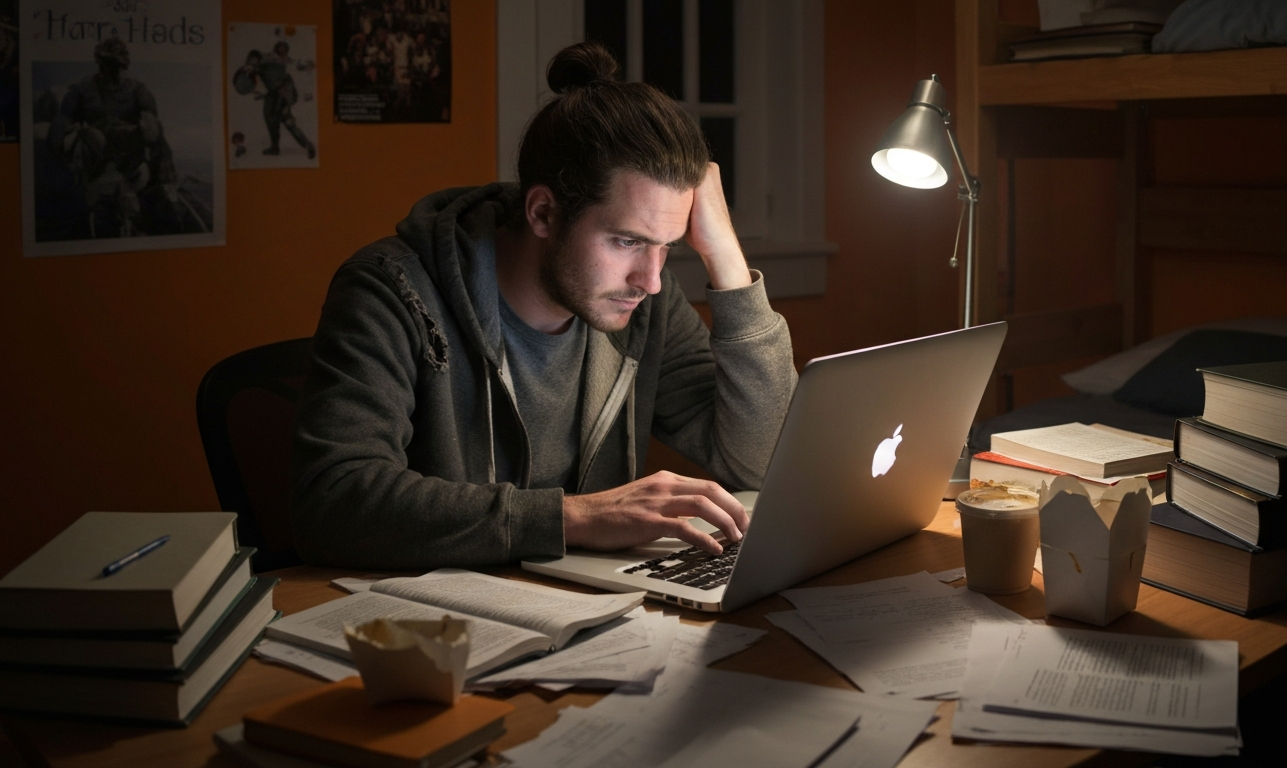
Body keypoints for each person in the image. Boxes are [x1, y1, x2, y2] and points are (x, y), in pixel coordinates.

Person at [291, 42, 797, 570]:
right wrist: (572, 518)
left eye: (666, 245)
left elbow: (760, 460)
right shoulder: (390, 292)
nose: (650, 279)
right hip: (439, 628)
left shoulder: (646, 303)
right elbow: (333, 501)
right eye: (626, 241)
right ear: (543, 213)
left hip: (590, 613)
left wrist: (726, 259)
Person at [46, 37, 180, 238]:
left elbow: (155, 130)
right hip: (95, 158)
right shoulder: (83, 89)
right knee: (91, 138)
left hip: (130, 158)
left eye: (119, 66)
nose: (115, 72)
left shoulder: (138, 91)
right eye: (110, 66)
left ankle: (163, 192)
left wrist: (151, 129)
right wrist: (60, 142)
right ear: (101, 64)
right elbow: (62, 120)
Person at [232, 43, 315, 159]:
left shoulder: (286, 63)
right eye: (280, 50)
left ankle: (307, 145)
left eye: (284, 50)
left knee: (288, 122)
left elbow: (292, 77)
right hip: (272, 95)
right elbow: (255, 54)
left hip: (281, 95)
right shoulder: (267, 58)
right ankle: (276, 147)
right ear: (276, 50)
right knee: (273, 122)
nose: (282, 52)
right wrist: (251, 65)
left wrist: (288, 102)